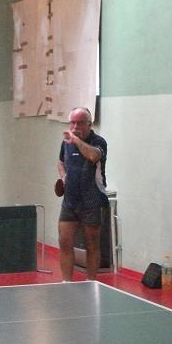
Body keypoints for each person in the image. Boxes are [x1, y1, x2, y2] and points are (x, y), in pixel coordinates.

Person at [57, 107, 109, 281]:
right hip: (70, 201)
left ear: (89, 124)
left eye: (79, 123)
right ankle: (66, 282)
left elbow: (93, 156)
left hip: (92, 201)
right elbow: (60, 162)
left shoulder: (98, 142)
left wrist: (77, 141)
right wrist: (63, 177)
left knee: (92, 244)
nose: (75, 127)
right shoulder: (66, 143)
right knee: (64, 241)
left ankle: (91, 281)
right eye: (72, 122)